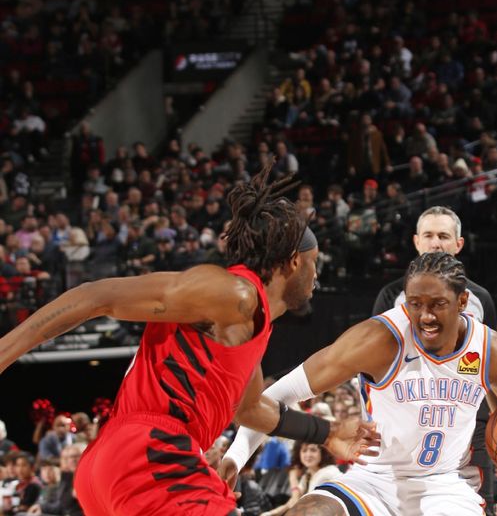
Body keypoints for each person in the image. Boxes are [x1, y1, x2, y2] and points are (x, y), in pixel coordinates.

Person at [0, 163, 376, 515]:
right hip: (148, 454)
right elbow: (94, 296)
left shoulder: (250, 325)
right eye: (315, 262)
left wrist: (327, 433)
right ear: (294, 261)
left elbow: (251, 410)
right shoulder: (234, 293)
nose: (316, 274)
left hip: (118, 464)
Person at [221, 252, 497, 516]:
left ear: (462, 301)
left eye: (437, 304)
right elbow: (277, 394)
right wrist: (236, 456)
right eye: (415, 304)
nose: (425, 316)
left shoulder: (491, 348)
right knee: (310, 512)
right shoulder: (378, 340)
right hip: (373, 478)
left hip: (445, 485)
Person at [371, 205, 497, 514]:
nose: (435, 242)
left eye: (444, 235)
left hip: (467, 426)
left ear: (459, 244)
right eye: (428, 235)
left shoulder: (481, 298)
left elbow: (490, 365)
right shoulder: (390, 296)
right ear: (416, 242)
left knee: (478, 507)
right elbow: (374, 368)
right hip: (407, 422)